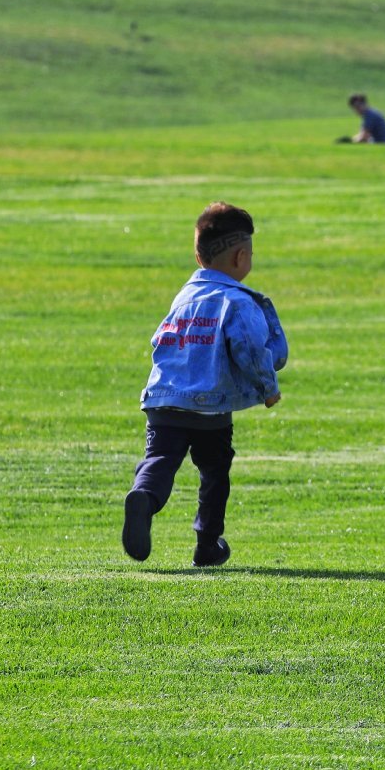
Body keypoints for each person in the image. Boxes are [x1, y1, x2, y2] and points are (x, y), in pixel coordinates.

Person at [122, 202, 288, 567]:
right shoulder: (238, 302)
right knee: (214, 471)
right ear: (241, 257)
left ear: (198, 256)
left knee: (160, 459)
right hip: (210, 407)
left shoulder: (183, 297)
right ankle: (207, 544)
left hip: (163, 399)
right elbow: (250, 348)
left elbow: (160, 341)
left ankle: (143, 497)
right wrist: (268, 387)